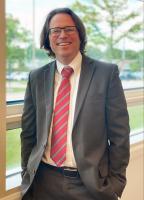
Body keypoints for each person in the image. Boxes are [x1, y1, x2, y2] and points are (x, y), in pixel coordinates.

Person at [21, 7, 130, 200]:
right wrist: (26, 174)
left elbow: (119, 134)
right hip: (43, 182)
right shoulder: (36, 78)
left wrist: (115, 183)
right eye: (55, 30)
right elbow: (29, 133)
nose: (62, 35)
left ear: (80, 34)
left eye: (69, 29)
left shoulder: (106, 74)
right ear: (48, 38)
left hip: (90, 185)